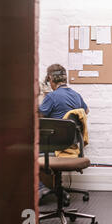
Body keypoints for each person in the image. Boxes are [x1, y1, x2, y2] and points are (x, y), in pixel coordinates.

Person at [38, 64, 89, 202]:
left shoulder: (51, 97)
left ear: (50, 78)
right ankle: (54, 187)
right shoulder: (77, 96)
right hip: (73, 147)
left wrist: (44, 95)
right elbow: (86, 111)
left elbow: (39, 117)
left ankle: (40, 188)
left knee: (28, 153)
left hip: (56, 148)